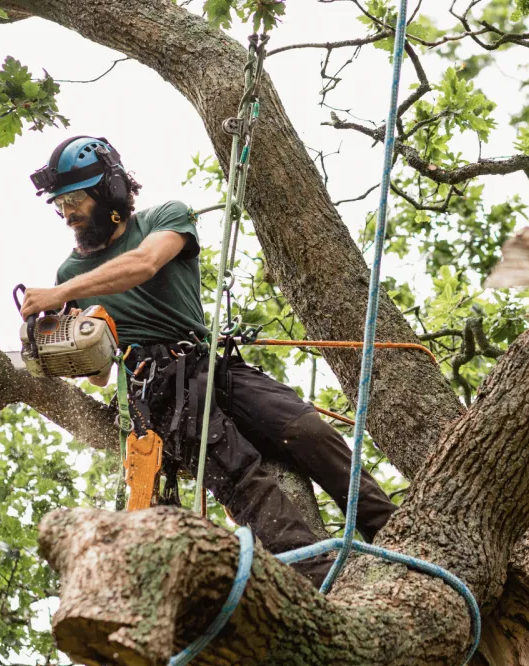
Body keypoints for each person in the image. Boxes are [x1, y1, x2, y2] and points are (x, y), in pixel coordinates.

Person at [20, 135, 398, 588]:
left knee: (307, 429)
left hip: (208, 364)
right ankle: (321, 581)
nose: (68, 213)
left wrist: (61, 294)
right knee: (241, 473)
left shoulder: (165, 218)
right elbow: (102, 376)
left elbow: (143, 264)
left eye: (76, 199)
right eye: (60, 204)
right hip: (156, 386)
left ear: (111, 192)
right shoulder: (71, 274)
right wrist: (70, 346)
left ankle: (393, 534)